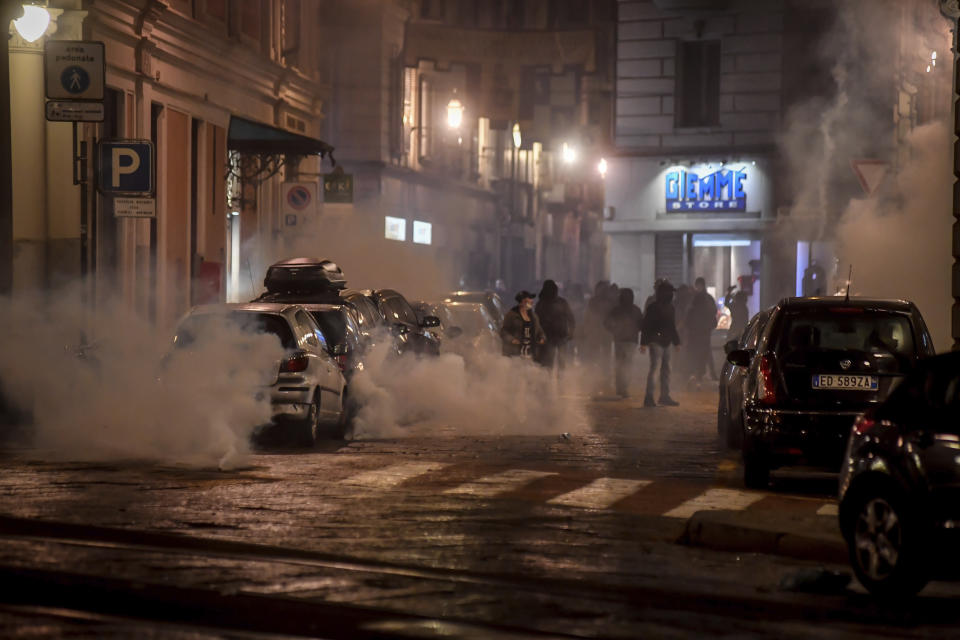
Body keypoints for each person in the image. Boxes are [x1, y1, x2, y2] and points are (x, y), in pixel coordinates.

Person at [640, 280, 681, 407]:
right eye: (669, 292)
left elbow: (671, 326)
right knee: (655, 369)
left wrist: (676, 342)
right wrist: (644, 343)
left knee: (666, 370)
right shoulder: (653, 308)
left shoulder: (670, 307)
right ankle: (649, 397)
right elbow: (646, 326)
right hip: (656, 342)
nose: (671, 295)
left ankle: (664, 396)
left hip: (666, 342)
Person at [604, 288, 644, 397]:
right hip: (629, 341)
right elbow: (641, 325)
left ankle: (620, 388)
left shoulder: (617, 310)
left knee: (620, 364)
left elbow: (606, 323)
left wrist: (615, 331)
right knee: (627, 365)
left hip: (621, 340)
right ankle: (623, 388)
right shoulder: (635, 310)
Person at [535, 279, 576, 369]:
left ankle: (556, 380)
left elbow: (570, 318)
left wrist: (571, 331)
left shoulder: (560, 302)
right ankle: (550, 381)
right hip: (549, 337)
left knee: (557, 363)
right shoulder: (542, 304)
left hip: (559, 337)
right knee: (549, 364)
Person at [686, 277, 718, 388]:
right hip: (703, 332)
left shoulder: (694, 299)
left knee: (697, 354)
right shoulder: (708, 299)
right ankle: (698, 376)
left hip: (697, 333)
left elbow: (688, 316)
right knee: (702, 355)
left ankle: (696, 376)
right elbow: (713, 313)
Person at [501, 290, 546, 359]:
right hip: (514, 354)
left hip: (530, 354)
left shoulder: (533, 316)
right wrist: (512, 340)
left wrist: (542, 337)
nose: (531, 301)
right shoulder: (512, 315)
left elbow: (539, 330)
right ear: (522, 302)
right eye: (529, 299)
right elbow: (504, 331)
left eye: (531, 299)